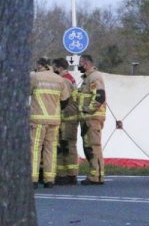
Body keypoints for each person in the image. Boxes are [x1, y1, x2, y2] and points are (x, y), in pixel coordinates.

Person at [30, 57, 72, 189]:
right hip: (54, 120)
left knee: (35, 148)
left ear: (40, 65)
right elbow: (65, 100)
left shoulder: (35, 77)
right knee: (51, 149)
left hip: (38, 119)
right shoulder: (59, 79)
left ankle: (33, 179)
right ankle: (49, 179)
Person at [76, 54, 107, 185]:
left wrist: (88, 109)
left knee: (94, 147)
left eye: (80, 63)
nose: (78, 66)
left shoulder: (94, 77)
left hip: (92, 118)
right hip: (87, 118)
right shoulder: (87, 78)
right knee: (89, 147)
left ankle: (97, 176)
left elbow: (99, 96)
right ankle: (93, 174)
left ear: (86, 64)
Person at [52, 57, 79, 185]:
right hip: (69, 117)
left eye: (54, 68)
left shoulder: (64, 81)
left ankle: (70, 174)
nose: (53, 70)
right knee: (64, 146)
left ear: (60, 68)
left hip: (67, 117)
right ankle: (64, 174)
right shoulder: (69, 79)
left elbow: (64, 100)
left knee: (67, 146)